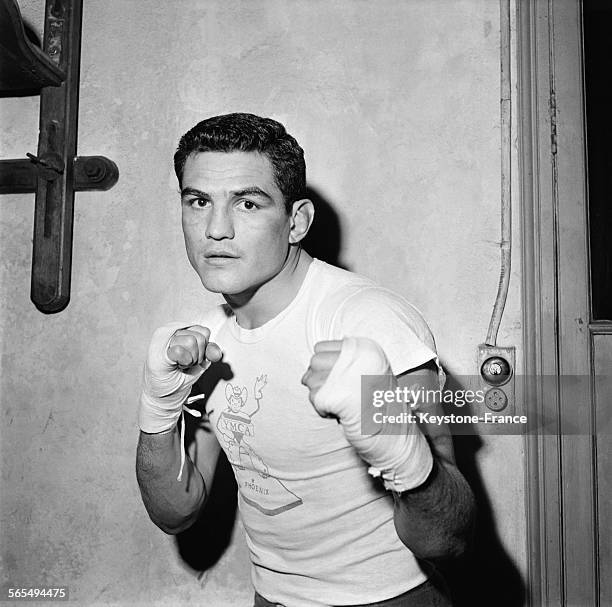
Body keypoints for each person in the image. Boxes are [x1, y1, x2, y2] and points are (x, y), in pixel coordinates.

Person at [136, 113, 475, 607]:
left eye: (247, 203)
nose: (216, 229)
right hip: (272, 599)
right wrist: (157, 407)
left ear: (296, 222)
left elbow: (449, 539)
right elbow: (175, 510)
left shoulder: (368, 321)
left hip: (389, 598)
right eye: (199, 201)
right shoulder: (204, 343)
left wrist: (400, 447)